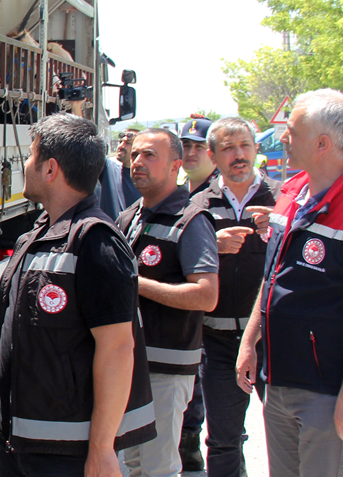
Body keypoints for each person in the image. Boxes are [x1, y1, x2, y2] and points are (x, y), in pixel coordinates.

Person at [236, 89, 343, 477]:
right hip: (279, 380)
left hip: (329, 392)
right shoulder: (292, 192)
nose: (283, 138)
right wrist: (250, 341)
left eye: (291, 130)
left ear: (322, 144)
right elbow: (273, 275)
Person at [0, 114, 156, 477]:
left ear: (50, 169)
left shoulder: (96, 243)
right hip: (21, 442)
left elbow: (118, 348)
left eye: (30, 156)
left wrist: (102, 449)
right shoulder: (37, 236)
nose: (25, 164)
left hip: (66, 456)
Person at [118, 128, 220, 477]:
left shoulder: (191, 221)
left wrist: (137, 285)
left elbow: (206, 295)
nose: (138, 162)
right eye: (134, 155)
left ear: (176, 166)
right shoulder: (129, 216)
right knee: (133, 463)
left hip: (165, 367)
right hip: (128, 364)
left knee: (158, 467)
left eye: (149, 155)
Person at [189, 117, 280, 477]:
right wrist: (213, 245)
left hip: (275, 339)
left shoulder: (284, 200)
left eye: (244, 146)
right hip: (219, 340)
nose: (238, 155)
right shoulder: (197, 204)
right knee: (224, 440)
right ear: (213, 156)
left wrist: (281, 228)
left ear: (257, 149)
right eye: (228, 148)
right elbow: (180, 266)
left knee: (288, 437)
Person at [176, 117, 217, 469]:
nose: (190, 152)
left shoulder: (217, 195)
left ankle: (194, 444)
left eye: (197, 146)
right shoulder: (186, 193)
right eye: (185, 146)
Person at [100, 128, 141, 217]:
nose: (121, 146)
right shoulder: (109, 169)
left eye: (127, 143)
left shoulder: (144, 179)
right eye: (120, 142)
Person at [181, 118, 217, 195]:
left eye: (199, 146)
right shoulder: (175, 191)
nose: (190, 153)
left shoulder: (225, 190)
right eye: (186, 146)